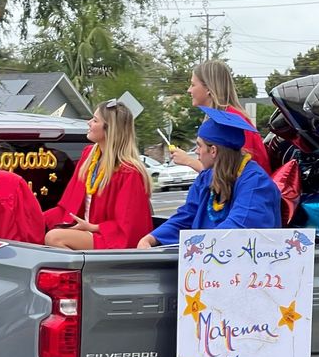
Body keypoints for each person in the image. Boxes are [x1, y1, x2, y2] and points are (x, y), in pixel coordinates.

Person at [137, 106, 280, 249]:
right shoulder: (206, 178)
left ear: (213, 151)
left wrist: (200, 247)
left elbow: (238, 228)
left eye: (199, 146)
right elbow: (186, 216)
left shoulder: (255, 182)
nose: (196, 151)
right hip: (206, 261)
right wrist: (151, 238)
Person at [43, 100, 152, 249]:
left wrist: (93, 227)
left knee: (54, 237)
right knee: (33, 227)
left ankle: (81, 272)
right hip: (85, 231)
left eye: (95, 120)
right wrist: (32, 218)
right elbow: (67, 208)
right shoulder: (89, 156)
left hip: (108, 238)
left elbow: (129, 226)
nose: (88, 123)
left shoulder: (129, 172)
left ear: (109, 129)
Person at [172, 60, 271, 175]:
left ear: (209, 88)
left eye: (193, 84)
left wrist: (188, 161)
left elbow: (233, 174)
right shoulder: (222, 117)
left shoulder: (232, 120)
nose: (189, 90)